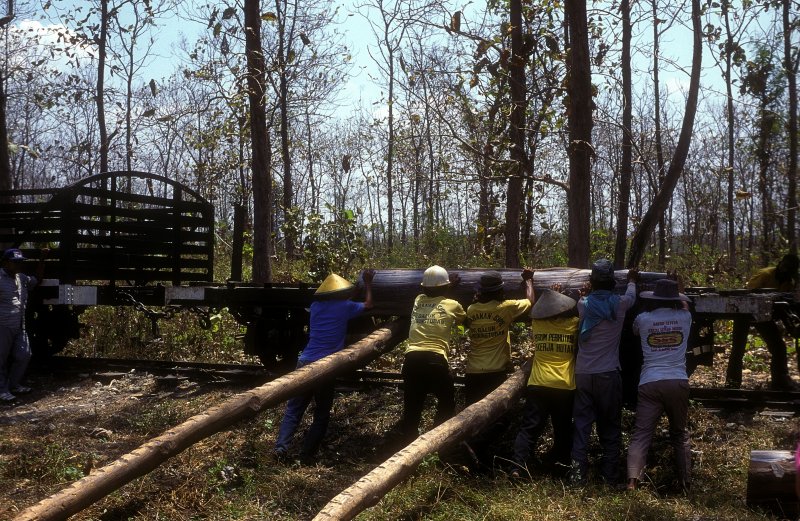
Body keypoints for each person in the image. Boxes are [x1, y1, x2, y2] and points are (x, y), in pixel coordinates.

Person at [273, 270, 374, 463]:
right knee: (321, 413)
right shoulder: (346, 307)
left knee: (294, 409)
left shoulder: (316, 306)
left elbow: (341, 300)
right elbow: (369, 305)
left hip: (304, 361)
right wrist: (368, 284)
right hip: (325, 366)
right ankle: (306, 455)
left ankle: (281, 448)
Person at [570, 259, 639, 486]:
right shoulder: (620, 304)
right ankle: (609, 477)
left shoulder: (583, 304)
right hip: (608, 374)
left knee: (581, 426)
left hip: (583, 374)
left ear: (592, 282)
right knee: (610, 425)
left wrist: (587, 291)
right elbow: (632, 295)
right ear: (612, 282)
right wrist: (631, 279)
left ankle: (577, 477)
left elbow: (587, 299)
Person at [626, 279, 692, 492]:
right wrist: (681, 291)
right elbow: (685, 305)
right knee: (679, 434)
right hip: (677, 381)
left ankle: (632, 481)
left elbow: (635, 332)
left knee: (641, 434)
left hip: (650, 382)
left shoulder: (643, 319)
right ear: (675, 299)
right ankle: (685, 481)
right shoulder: (685, 317)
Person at [463, 268, 534, 468]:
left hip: (473, 372)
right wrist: (528, 280)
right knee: (501, 418)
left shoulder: (471, 310)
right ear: (500, 291)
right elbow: (530, 302)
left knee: (474, 419)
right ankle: (474, 446)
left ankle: (474, 458)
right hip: (494, 373)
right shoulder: (506, 308)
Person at [512, 287, 579, 478]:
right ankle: (562, 467)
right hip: (564, 385)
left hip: (538, 383)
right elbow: (578, 309)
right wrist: (562, 297)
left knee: (529, 428)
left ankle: (518, 466)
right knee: (563, 428)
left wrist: (550, 297)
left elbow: (536, 309)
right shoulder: (574, 324)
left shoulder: (537, 324)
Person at [398, 265, 465, 444]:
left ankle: (407, 445)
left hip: (411, 359)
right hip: (435, 359)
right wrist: (452, 289)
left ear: (423, 288)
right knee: (447, 401)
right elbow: (462, 319)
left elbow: (431, 295)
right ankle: (436, 441)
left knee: (412, 406)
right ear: (446, 287)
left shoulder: (418, 300)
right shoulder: (453, 305)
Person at [726, 254, 800, 390]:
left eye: (788, 268)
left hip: (763, 316)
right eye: (784, 266)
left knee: (779, 347)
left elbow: (784, 305)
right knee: (738, 350)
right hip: (744, 312)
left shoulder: (789, 283)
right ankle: (732, 386)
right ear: (780, 263)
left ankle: (780, 382)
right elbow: (749, 294)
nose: (784, 270)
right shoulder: (766, 274)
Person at [0, 248, 47, 402]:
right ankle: (2, 390)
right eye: (15, 262)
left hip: (20, 325)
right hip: (3, 325)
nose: (18, 265)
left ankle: (13, 385)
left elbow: (37, 279)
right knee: (1, 359)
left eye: (20, 262)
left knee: (24, 355)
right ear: (6, 263)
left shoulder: (21, 278)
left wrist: (42, 259)